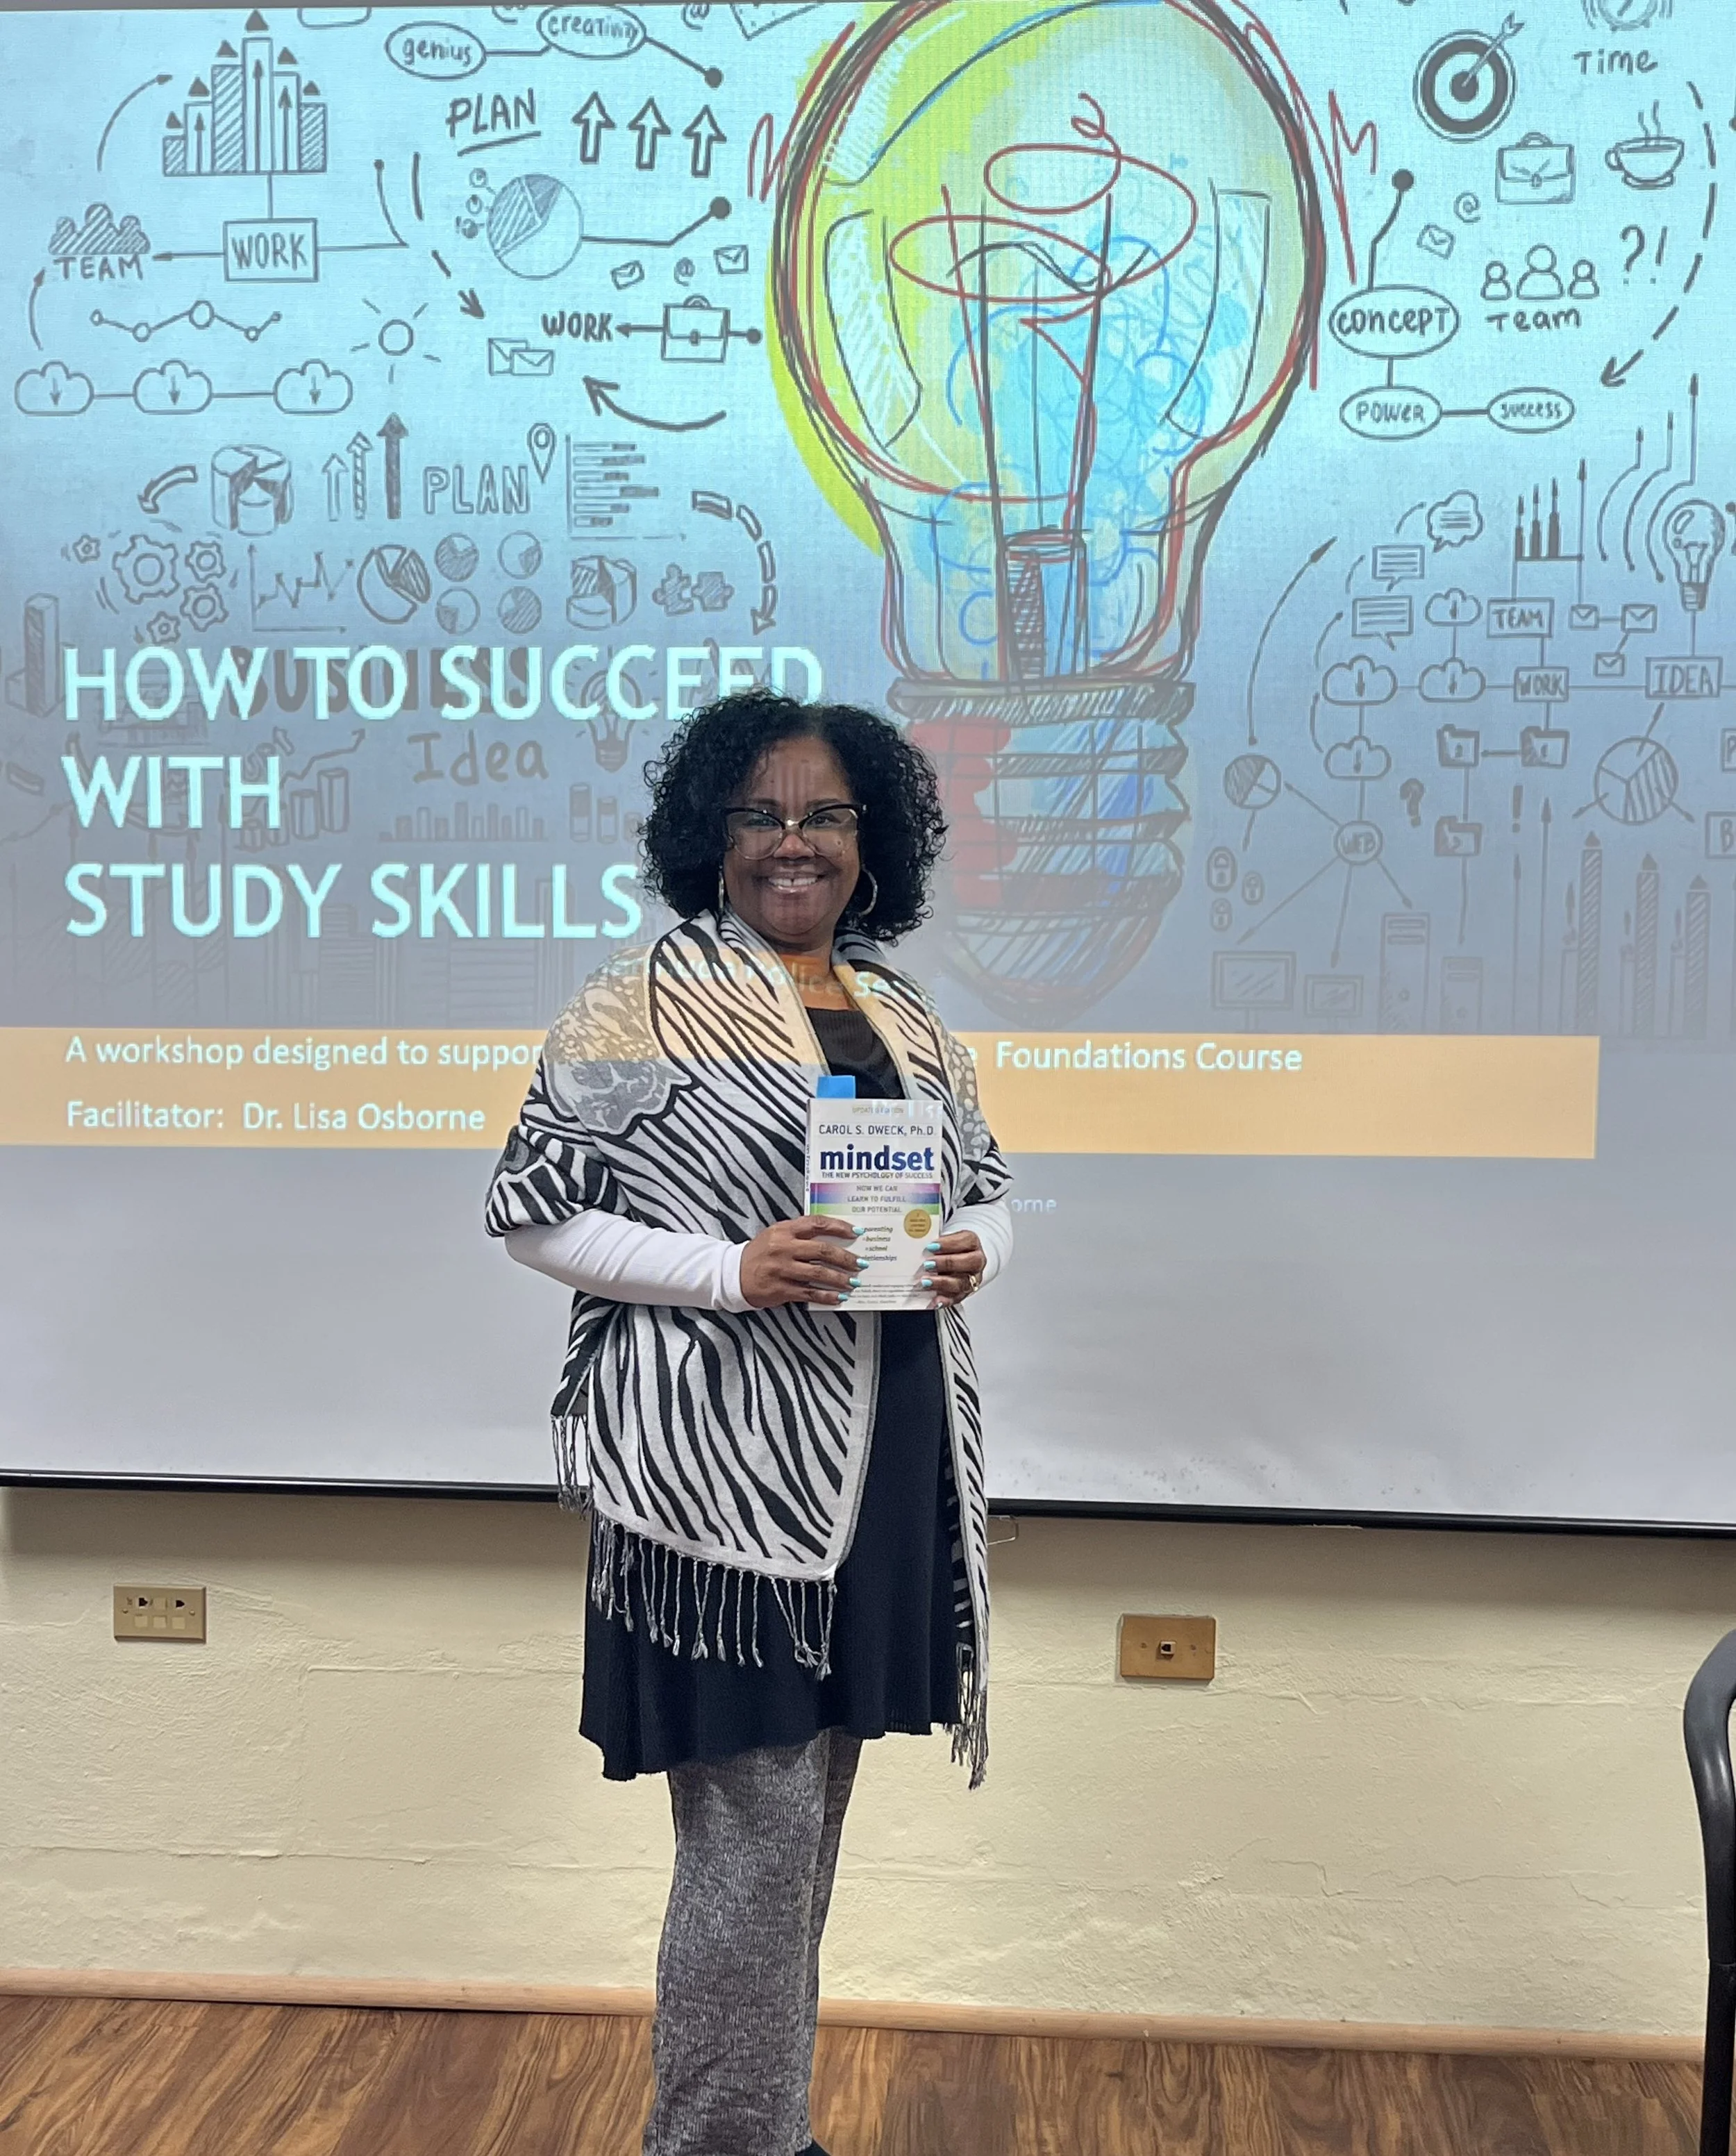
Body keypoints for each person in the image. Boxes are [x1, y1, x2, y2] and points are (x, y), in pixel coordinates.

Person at [485, 689, 1013, 2156]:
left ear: (870, 841)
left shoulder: (900, 1011)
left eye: (824, 815)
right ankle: (724, 2144)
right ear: (709, 837)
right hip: (723, 1492)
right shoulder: (635, 999)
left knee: (799, 1843)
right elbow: (534, 1216)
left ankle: (763, 2128)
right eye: (759, 814)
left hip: (884, 1466)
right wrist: (728, 1271)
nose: (793, 841)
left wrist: (981, 1249)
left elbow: (983, 1194)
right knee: (752, 1846)